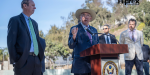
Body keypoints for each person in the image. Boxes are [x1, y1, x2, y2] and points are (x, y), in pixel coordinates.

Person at [7, 0, 44, 75]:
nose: (35, 7)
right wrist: (17, 61)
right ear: (25, 6)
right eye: (33, 5)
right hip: (23, 61)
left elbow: (37, 41)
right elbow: (11, 43)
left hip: (36, 61)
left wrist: (39, 58)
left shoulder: (35, 23)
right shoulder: (15, 20)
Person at [68, 7, 99, 75]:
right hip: (80, 66)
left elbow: (98, 45)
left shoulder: (94, 30)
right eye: (83, 15)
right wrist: (74, 36)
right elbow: (71, 45)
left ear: (90, 18)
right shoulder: (74, 29)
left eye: (88, 15)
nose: (86, 17)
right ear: (80, 17)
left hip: (93, 65)